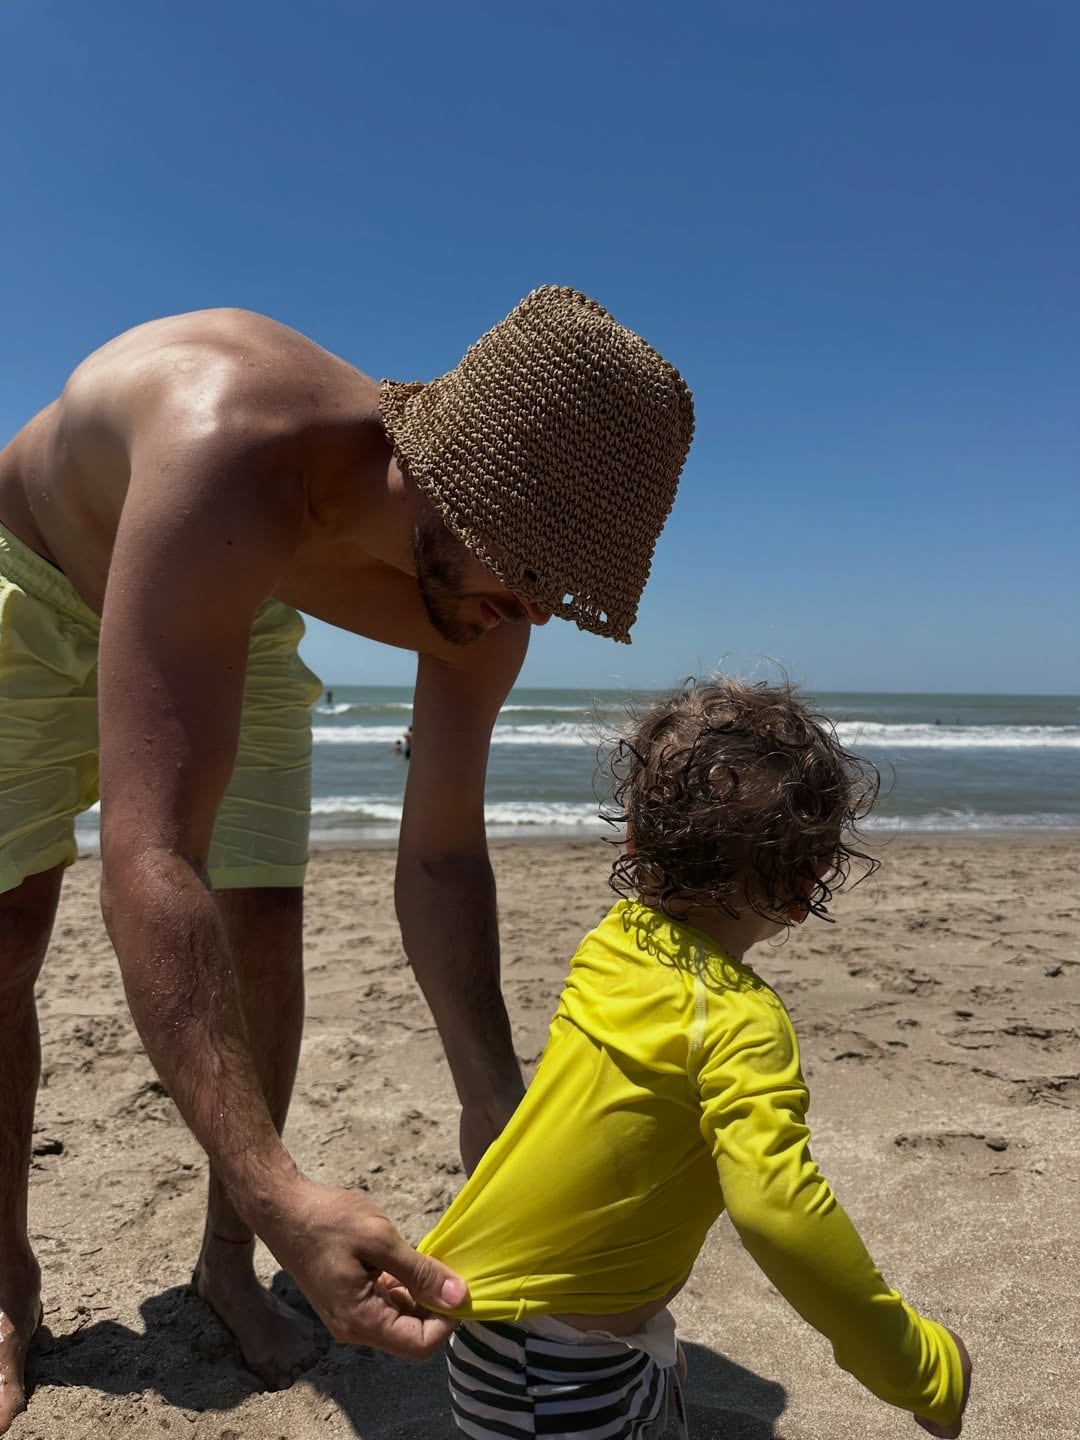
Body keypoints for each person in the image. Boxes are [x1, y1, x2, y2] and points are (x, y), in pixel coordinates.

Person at [0, 287, 695, 1432]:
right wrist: (294, 1191)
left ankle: (229, 1259)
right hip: (31, 580)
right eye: (528, 563)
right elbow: (150, 853)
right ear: (445, 477)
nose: (534, 605)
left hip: (239, 599)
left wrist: (491, 1098)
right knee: (8, 930)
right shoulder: (233, 443)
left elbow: (439, 856)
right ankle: (6, 1280)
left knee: (262, 923)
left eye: (566, 586)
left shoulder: (491, 601)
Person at [419, 679, 972, 1440]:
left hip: (529, 1331)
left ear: (634, 842)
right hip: (559, 1372)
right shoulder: (743, 1022)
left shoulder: (612, 942)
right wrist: (921, 1366)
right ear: (805, 889)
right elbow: (779, 1214)